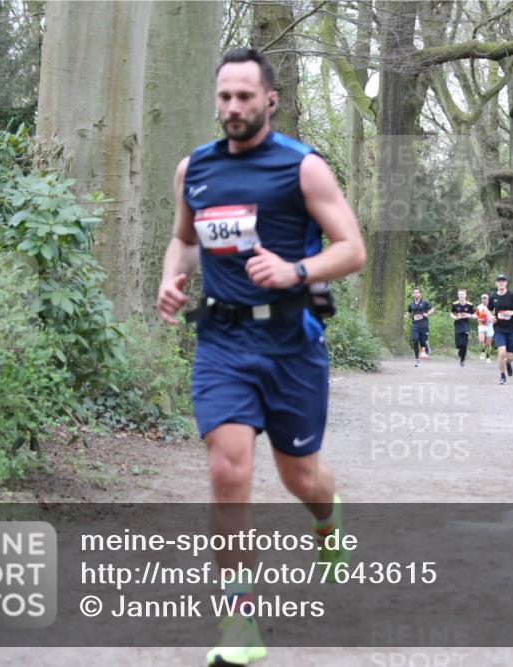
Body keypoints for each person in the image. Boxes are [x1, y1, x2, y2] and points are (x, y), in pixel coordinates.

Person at [156, 47, 365, 666]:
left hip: (291, 345)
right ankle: (238, 622)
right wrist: (173, 278)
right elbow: (184, 238)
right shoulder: (194, 168)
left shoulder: (303, 168)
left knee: (301, 477)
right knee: (229, 469)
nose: (233, 107)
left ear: (270, 100)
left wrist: (296, 268)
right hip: (222, 342)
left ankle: (330, 522)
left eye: (245, 96)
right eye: (224, 96)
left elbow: (351, 248)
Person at [488, 274, 513, 385]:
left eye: (503, 281)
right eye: (499, 281)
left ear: (506, 283)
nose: (501, 283)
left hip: (511, 329)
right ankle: (502, 376)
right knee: (501, 352)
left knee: (510, 356)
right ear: (496, 283)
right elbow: (488, 310)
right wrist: (490, 317)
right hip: (499, 328)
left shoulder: (512, 296)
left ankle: (508, 363)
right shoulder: (493, 297)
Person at [404, 287, 434, 367]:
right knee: (415, 340)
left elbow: (432, 309)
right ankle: (417, 360)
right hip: (415, 325)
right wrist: (406, 315)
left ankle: (426, 346)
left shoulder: (424, 302)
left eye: (417, 292)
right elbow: (409, 311)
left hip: (424, 325)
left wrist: (427, 314)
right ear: (413, 294)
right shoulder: (411, 304)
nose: (416, 294)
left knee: (423, 342)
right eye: (414, 292)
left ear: (420, 294)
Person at [449, 288, 475, 367]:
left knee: (464, 344)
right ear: (458, 295)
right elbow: (451, 313)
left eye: (463, 294)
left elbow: (474, 315)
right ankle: (460, 350)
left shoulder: (470, 305)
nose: (461, 296)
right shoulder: (455, 304)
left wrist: (469, 315)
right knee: (458, 344)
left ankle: (462, 361)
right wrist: (454, 317)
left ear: (465, 295)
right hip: (457, 324)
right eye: (460, 294)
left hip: (466, 324)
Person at [475, 294, 495, 362]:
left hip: (489, 326)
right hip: (481, 325)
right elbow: (476, 315)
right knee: (481, 340)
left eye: (485, 298)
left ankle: (488, 357)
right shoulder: (479, 307)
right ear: (481, 299)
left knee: (488, 344)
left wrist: (491, 319)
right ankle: (483, 351)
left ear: (488, 299)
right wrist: (478, 319)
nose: (484, 300)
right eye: (483, 298)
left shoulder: (492, 306)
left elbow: (495, 316)